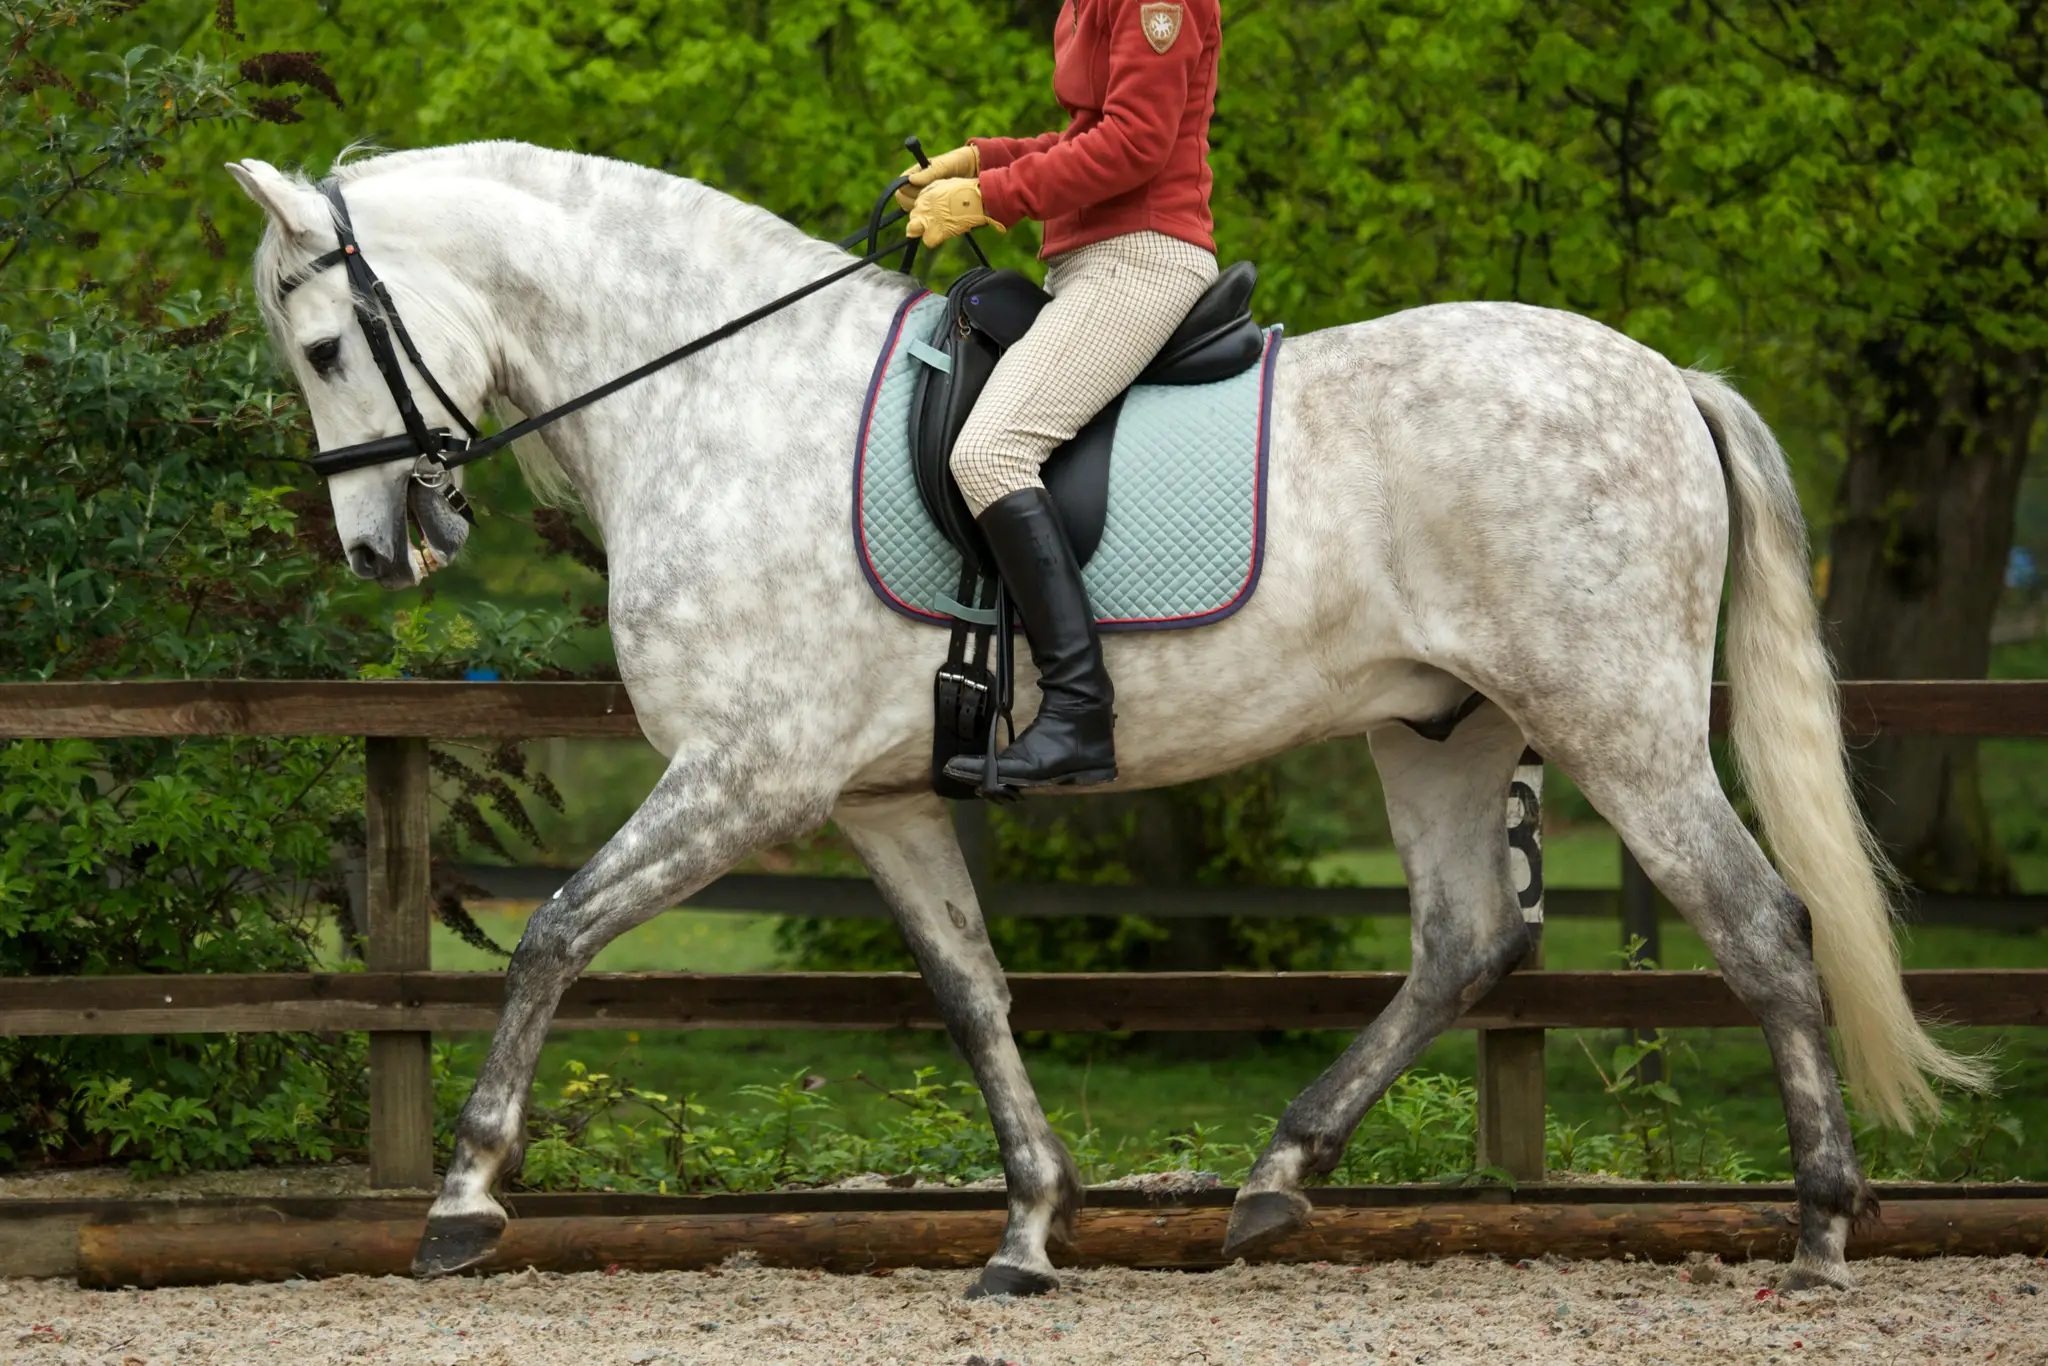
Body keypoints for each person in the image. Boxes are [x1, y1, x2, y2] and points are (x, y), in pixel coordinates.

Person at [899, 0, 1223, 791]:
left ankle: (1079, 710)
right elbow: (1086, 136)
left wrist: (992, 199)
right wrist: (979, 160)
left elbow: (1138, 144)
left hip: (1141, 260)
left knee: (991, 450)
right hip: (1089, 264)